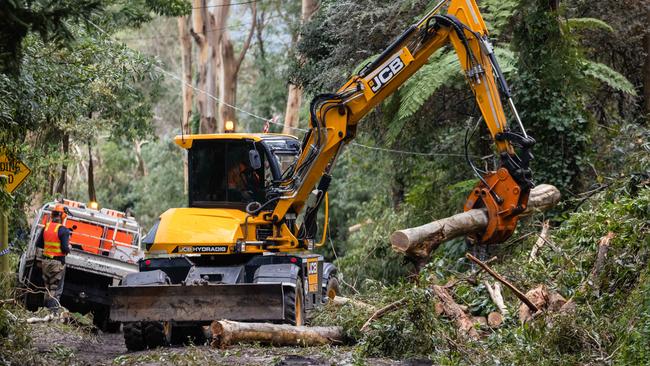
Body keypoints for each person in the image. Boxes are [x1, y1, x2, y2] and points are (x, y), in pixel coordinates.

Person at [35, 204, 71, 313]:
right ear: (63, 216)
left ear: (52, 215)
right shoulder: (64, 230)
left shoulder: (46, 227)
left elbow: (39, 244)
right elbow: (64, 248)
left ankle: (45, 312)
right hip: (57, 264)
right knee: (56, 290)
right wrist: (69, 248)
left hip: (45, 262)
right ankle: (53, 313)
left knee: (48, 288)